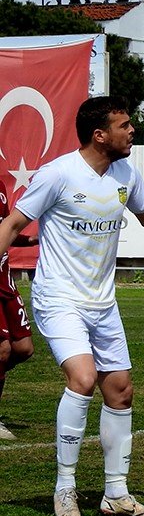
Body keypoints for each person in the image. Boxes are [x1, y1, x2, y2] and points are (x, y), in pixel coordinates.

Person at [0, 96, 144, 516]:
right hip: (59, 297)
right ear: (100, 135)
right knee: (82, 379)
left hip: (103, 302)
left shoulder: (125, 172)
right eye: (124, 125)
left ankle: (116, 494)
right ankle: (65, 488)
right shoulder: (59, 173)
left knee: (120, 392)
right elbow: (12, 223)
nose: (132, 131)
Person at [0, 176, 39, 441]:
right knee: (2, 349)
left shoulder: (0, 186)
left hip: (5, 278)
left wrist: (33, 239)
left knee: (23, 349)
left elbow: (7, 229)